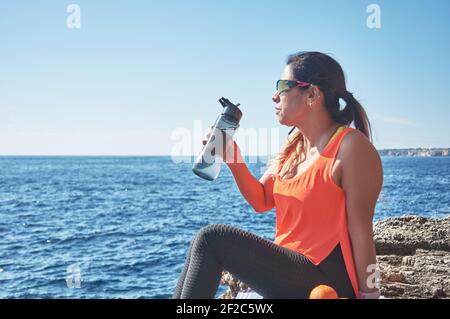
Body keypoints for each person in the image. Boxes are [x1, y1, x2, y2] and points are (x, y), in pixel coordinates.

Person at [173, 51, 383, 299]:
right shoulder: (294, 145)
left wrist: (370, 296)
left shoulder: (351, 147)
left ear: (313, 94)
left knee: (211, 239)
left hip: (326, 281)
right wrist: (233, 157)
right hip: (289, 276)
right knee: (204, 243)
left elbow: (361, 232)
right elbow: (261, 200)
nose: (274, 96)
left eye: (282, 86)